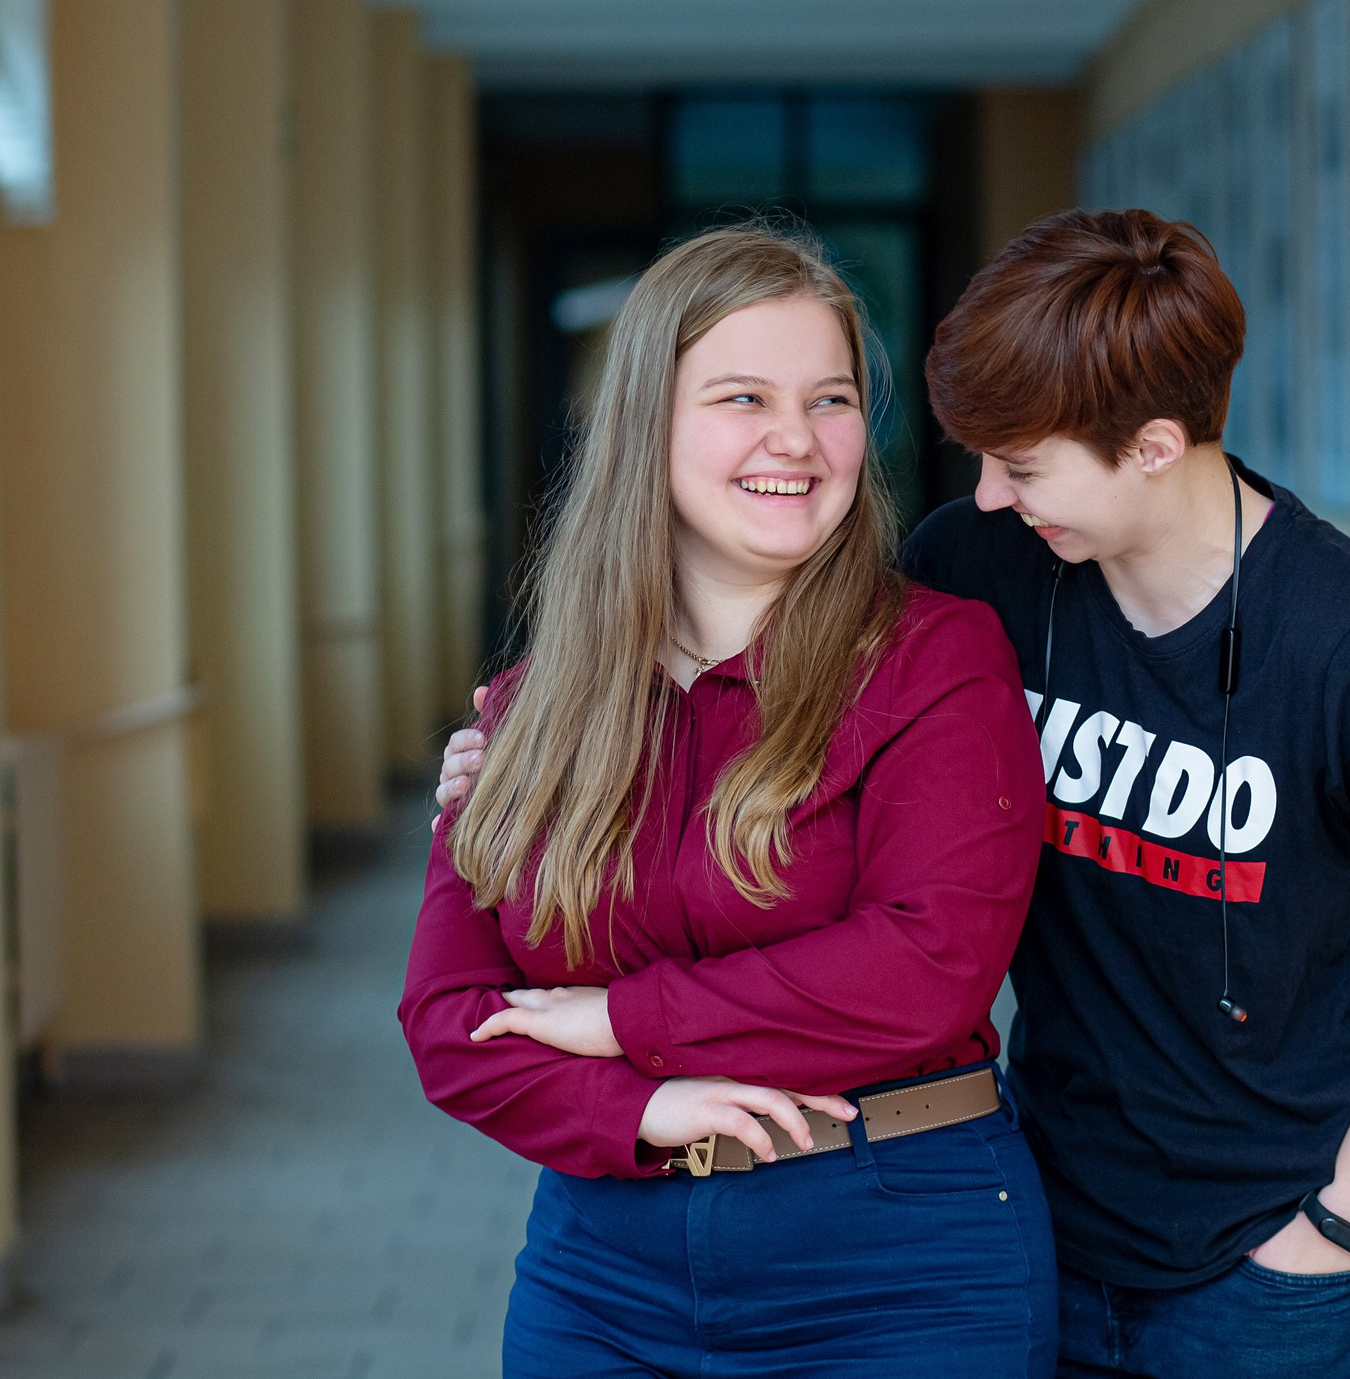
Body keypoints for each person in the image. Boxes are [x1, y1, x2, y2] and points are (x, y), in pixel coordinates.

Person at [441, 210, 1350, 1379]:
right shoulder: (988, 564)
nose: (994, 497)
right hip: (1056, 1207)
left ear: (1155, 446)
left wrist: (1340, 1226)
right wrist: (530, 755)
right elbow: (798, 687)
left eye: (1023, 465)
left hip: (1270, 1249)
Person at [400, 224, 1057, 1379]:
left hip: (900, 1257)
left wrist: (616, 1024)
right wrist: (639, 1114)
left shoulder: (937, 658)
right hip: (603, 1264)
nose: (796, 441)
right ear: (645, 424)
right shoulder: (529, 710)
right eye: (743, 396)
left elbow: (926, 966)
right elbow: (450, 1023)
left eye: (833, 398)